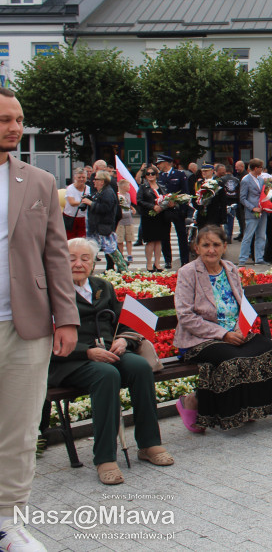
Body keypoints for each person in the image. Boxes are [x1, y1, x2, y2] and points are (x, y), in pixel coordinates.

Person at [0, 86, 79, 551]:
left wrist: (65, 318)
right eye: (5, 120)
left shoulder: (39, 182)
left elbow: (56, 254)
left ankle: (8, 521)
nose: (15, 127)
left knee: (19, 428)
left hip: (24, 326)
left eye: (18, 118)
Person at [50, 238, 173, 485]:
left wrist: (125, 341)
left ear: (93, 262)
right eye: (71, 258)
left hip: (109, 353)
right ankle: (105, 458)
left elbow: (124, 322)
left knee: (139, 367)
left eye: (84, 258)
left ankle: (149, 444)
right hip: (70, 361)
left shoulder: (102, 286)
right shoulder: (53, 291)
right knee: (107, 375)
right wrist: (86, 352)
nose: (78, 263)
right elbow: (46, 337)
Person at [173, 225, 272, 431]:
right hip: (202, 338)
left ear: (224, 247)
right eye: (205, 245)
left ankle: (251, 408)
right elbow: (185, 316)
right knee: (234, 361)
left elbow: (241, 304)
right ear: (196, 248)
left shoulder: (229, 268)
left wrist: (240, 328)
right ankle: (195, 402)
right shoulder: (188, 273)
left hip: (235, 332)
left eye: (216, 245)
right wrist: (223, 334)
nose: (211, 250)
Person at [155, 154, 189, 270]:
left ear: (167, 163)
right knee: (165, 236)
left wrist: (179, 205)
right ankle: (167, 260)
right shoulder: (159, 176)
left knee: (182, 235)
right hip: (165, 210)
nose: (158, 165)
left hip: (177, 209)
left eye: (160, 163)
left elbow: (185, 192)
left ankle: (184, 260)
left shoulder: (179, 174)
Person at [84, 171, 120, 273]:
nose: (93, 182)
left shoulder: (108, 192)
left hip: (104, 226)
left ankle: (124, 269)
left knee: (112, 250)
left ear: (102, 181)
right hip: (96, 227)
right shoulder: (99, 192)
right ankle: (89, 272)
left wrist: (91, 203)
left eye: (96, 179)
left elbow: (106, 208)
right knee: (92, 251)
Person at [137, 166, 170, 272]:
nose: (150, 176)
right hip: (149, 217)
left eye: (152, 173)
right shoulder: (143, 187)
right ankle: (149, 264)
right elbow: (139, 201)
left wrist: (164, 206)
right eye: (148, 174)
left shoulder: (162, 187)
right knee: (150, 241)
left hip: (161, 216)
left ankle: (157, 263)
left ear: (156, 175)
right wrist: (152, 207)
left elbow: (167, 198)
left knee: (159, 241)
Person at [238, 159, 268, 265]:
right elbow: (242, 198)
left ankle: (259, 258)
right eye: (261, 167)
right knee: (248, 236)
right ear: (256, 168)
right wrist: (252, 208)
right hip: (252, 212)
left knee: (261, 235)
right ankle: (242, 259)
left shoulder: (261, 179)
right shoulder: (246, 180)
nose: (262, 169)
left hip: (262, 210)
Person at [63, 167, 90, 239]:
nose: (81, 179)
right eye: (79, 177)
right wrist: (84, 201)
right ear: (75, 177)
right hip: (70, 217)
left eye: (83, 177)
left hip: (82, 217)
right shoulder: (70, 188)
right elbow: (72, 202)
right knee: (70, 239)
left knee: (82, 239)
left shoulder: (88, 189)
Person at [115, 179, 135, 265]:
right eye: (128, 186)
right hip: (120, 219)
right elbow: (122, 206)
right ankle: (121, 254)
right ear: (123, 186)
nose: (129, 187)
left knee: (129, 237)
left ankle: (129, 254)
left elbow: (128, 204)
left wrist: (131, 208)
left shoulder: (128, 195)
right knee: (120, 238)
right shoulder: (118, 195)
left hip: (128, 218)